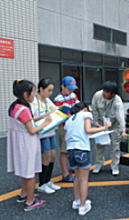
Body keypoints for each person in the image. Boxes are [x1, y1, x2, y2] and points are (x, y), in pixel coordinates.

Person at [7, 80, 52, 211]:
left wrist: (43, 116)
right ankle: (30, 202)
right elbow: (32, 129)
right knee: (31, 173)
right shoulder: (25, 109)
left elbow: (27, 121)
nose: (34, 94)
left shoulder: (14, 106)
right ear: (26, 94)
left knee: (25, 171)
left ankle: (24, 194)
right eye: (33, 92)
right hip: (28, 143)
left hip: (19, 142)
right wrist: (47, 122)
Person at [64, 103, 111, 216]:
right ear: (84, 109)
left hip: (70, 150)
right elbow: (88, 130)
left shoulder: (69, 120)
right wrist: (105, 127)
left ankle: (77, 201)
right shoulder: (85, 114)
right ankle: (82, 206)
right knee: (84, 179)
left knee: (77, 176)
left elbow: (66, 138)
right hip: (82, 150)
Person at [30, 78, 61, 194]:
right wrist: (45, 115)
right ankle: (42, 183)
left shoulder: (47, 100)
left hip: (51, 130)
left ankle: (48, 181)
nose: (50, 93)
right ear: (41, 89)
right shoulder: (33, 101)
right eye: (49, 90)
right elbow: (30, 118)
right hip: (42, 132)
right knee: (46, 157)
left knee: (53, 156)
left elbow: (56, 110)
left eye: (52, 91)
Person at [91, 81, 127, 176]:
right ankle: (98, 164)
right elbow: (94, 109)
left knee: (115, 146)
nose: (104, 93)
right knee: (99, 146)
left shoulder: (117, 102)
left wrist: (123, 131)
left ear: (113, 94)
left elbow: (120, 117)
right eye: (104, 91)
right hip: (100, 123)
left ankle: (115, 166)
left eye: (107, 92)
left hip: (114, 124)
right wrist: (95, 122)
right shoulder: (97, 95)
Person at [54, 76, 79, 182]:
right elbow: (57, 115)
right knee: (64, 151)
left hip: (74, 125)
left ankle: (72, 169)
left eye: (72, 88)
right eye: (69, 88)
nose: (71, 91)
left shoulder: (73, 95)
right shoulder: (58, 99)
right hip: (63, 127)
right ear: (62, 87)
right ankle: (65, 174)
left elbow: (78, 106)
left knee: (72, 149)